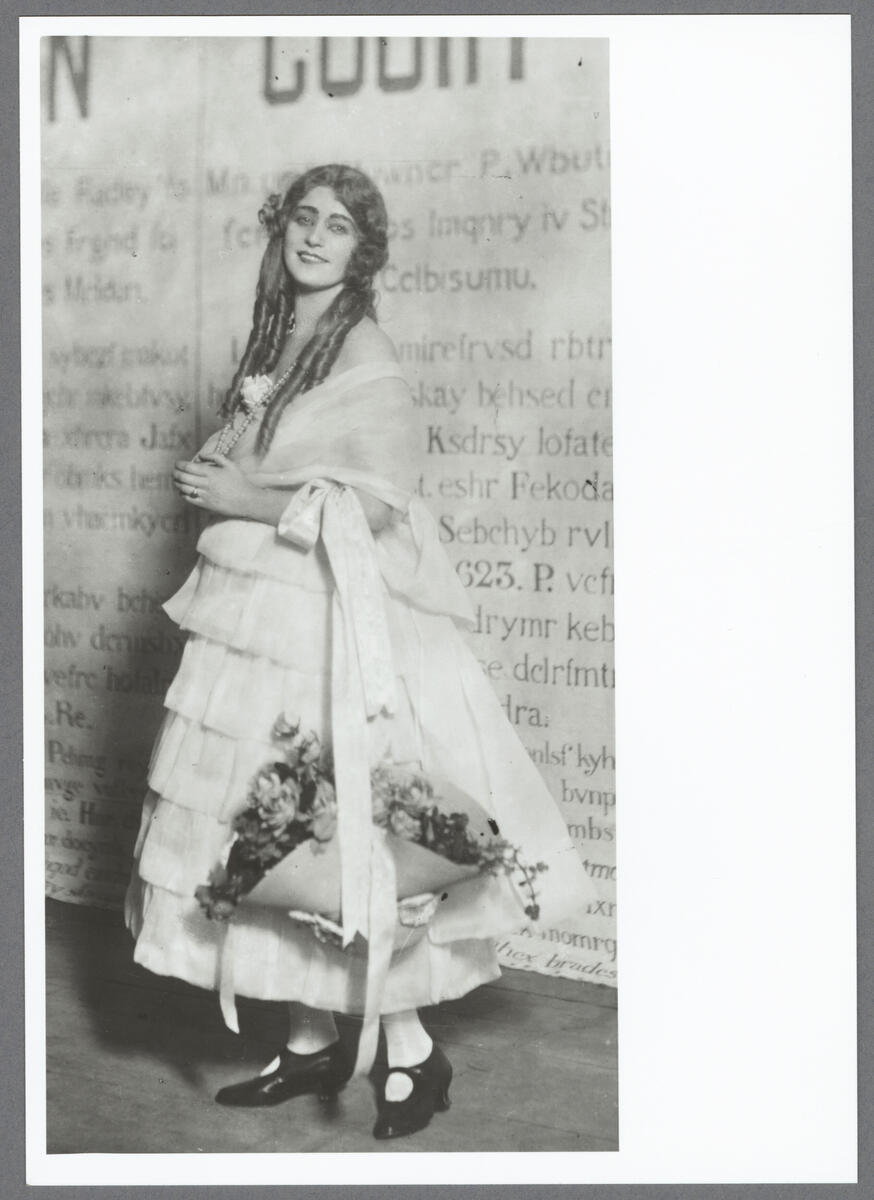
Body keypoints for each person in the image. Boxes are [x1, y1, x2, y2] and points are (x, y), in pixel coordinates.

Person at [125, 163, 596, 1140]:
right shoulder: (277, 334)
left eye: (337, 227)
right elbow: (269, 457)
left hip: (329, 613)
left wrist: (243, 498)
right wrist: (222, 475)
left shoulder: (363, 347)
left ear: (362, 250)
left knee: (336, 826)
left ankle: (412, 1051)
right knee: (264, 823)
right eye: (303, 219)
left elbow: (376, 506)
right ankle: (309, 1038)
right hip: (258, 611)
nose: (314, 237)